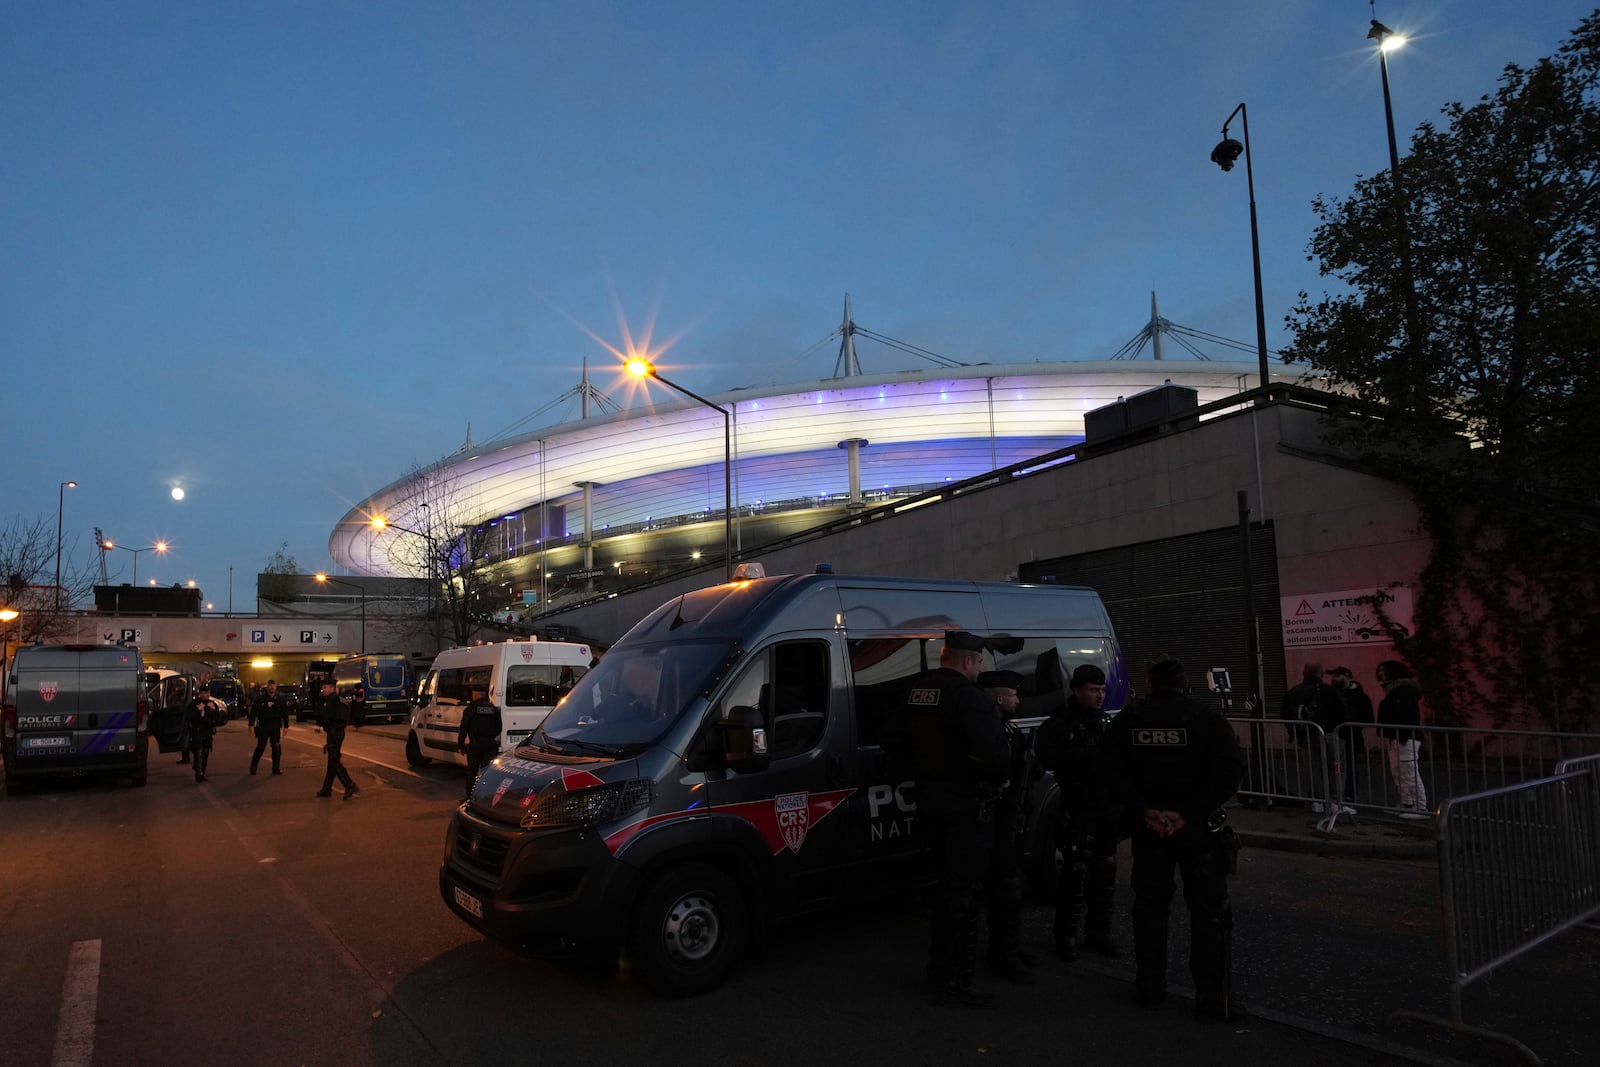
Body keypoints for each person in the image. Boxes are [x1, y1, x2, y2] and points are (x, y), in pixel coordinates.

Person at [1103, 654, 1246, 1023]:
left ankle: (1150, 988)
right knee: (1209, 914)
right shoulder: (1206, 720)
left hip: (1149, 831)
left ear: (1150, 684)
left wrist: (1145, 811)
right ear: (1185, 683)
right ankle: (1212, 997)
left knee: (1150, 908)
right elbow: (1229, 774)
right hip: (1197, 831)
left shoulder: (1129, 720)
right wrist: (1187, 813)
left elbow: (1112, 772)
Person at [884, 631, 1009, 1008]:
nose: (979, 670)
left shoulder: (917, 691)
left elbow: (892, 741)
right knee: (963, 895)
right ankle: (955, 979)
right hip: (965, 808)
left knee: (942, 889)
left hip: (929, 801)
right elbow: (997, 757)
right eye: (979, 663)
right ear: (968, 661)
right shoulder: (969, 698)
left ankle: (939, 971)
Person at [1033, 663, 1121, 962]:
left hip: (1105, 809)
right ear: (1077, 690)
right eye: (1093, 690)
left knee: (1105, 872)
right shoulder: (1060, 723)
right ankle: (1066, 937)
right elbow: (1048, 757)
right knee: (1076, 874)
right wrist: (1083, 759)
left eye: (1102, 690)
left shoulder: (1105, 722)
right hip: (1077, 808)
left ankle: (1099, 933)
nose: (1099, 696)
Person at [976, 669, 1040, 984]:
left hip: (1008, 818)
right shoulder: (987, 732)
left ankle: (1009, 947)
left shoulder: (1008, 730)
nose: (1018, 700)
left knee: (1012, 886)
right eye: (1014, 695)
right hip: (991, 819)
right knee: (1002, 888)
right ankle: (1003, 954)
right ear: (1000, 698)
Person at [1280, 661, 1349, 814]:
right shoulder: (1329, 691)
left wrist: (1294, 731)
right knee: (1336, 768)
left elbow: (1285, 714)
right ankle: (1335, 801)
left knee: (1313, 769)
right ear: (1322, 674)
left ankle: (1317, 800)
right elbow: (1343, 713)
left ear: (1304, 673)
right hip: (1331, 735)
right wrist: (1343, 734)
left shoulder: (1294, 691)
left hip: (1306, 736)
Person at [1375, 660, 1428, 818]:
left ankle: (1420, 807)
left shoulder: (1402, 691)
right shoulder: (1396, 691)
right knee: (1398, 772)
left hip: (1405, 737)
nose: (1380, 673)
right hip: (1397, 737)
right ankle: (1407, 803)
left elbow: (1406, 716)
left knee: (1408, 772)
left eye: (1383, 670)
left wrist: (1402, 735)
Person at [1328, 667, 1374, 804]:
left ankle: (1349, 796)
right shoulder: (1332, 695)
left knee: (1349, 767)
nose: (1333, 679)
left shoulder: (1360, 697)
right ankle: (1336, 795)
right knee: (1334, 767)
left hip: (1351, 737)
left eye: (1337, 676)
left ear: (1348, 677)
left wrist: (1351, 723)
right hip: (1334, 737)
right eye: (1333, 676)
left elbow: (1368, 718)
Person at [316, 678, 359, 800]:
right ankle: (326, 789)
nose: (323, 690)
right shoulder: (327, 700)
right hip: (332, 732)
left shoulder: (336, 701)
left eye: (325, 688)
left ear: (331, 688)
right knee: (332, 761)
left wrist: (332, 730)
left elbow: (336, 718)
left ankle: (349, 784)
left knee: (334, 761)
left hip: (336, 733)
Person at [457, 689, 503, 799]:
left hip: (476, 745)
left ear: (475, 695)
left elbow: (463, 728)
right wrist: (490, 737)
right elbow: (499, 727)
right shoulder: (493, 709)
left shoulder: (471, 709)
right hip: (490, 746)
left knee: (472, 772)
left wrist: (461, 745)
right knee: (487, 772)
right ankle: (485, 797)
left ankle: (470, 797)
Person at [248, 678, 290, 776]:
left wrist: (286, 726)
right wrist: (251, 725)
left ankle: (276, 768)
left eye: (273, 685)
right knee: (261, 747)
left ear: (276, 687)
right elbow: (254, 712)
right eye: (270, 685)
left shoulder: (280, 699)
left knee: (276, 747)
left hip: (275, 726)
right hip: (263, 725)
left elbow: (285, 713)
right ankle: (254, 765)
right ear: (267, 686)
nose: (272, 687)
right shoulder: (261, 699)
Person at [184, 687, 223, 783]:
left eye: (209, 692)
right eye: (205, 693)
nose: (207, 695)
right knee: (199, 752)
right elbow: (188, 717)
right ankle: (199, 773)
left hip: (208, 732)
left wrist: (214, 710)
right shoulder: (194, 703)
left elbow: (218, 719)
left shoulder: (211, 704)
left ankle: (201, 770)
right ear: (200, 693)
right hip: (197, 732)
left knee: (205, 753)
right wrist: (198, 710)